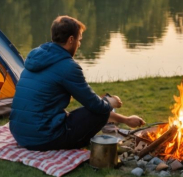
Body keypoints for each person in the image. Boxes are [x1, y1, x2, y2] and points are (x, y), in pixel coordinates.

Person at [9, 15, 144, 151]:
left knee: (100, 105)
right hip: (44, 139)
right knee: (102, 110)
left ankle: (109, 117)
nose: (79, 45)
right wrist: (110, 103)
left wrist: (124, 119)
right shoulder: (67, 66)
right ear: (71, 40)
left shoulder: (37, 58)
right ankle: (81, 141)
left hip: (19, 133)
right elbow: (96, 107)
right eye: (79, 40)